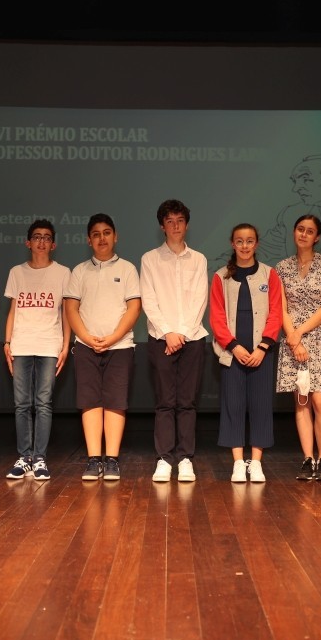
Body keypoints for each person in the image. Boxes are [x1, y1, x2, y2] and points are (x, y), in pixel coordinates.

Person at [63, 213, 141, 481]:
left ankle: (112, 460)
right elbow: (71, 309)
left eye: (107, 233)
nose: (102, 238)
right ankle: (93, 459)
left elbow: (134, 308)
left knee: (116, 402)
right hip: (86, 347)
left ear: (115, 236)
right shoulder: (79, 271)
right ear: (89, 240)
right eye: (96, 234)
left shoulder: (128, 269)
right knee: (90, 402)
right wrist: (87, 337)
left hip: (120, 346)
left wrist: (113, 338)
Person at [140, 200, 208, 483]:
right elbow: (149, 299)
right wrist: (168, 332)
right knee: (165, 402)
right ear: (162, 226)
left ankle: (185, 458)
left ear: (187, 225)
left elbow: (200, 299)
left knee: (187, 402)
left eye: (180, 220)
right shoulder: (149, 259)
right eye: (170, 221)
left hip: (192, 338)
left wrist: (182, 333)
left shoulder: (199, 259)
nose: (175, 226)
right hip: (161, 338)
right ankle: (164, 459)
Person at [210, 223, 283, 483]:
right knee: (234, 406)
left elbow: (276, 313)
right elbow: (217, 317)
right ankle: (239, 463)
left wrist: (263, 347)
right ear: (233, 244)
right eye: (239, 241)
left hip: (261, 353)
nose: (244, 246)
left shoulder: (269, 274)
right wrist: (234, 347)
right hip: (232, 353)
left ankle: (256, 462)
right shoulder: (221, 277)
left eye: (249, 241)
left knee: (261, 406)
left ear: (256, 244)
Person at [275, 214, 321, 481]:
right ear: (294, 232)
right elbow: (281, 308)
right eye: (300, 229)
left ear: (317, 237)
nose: (304, 234)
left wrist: (299, 333)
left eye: (310, 231)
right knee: (302, 399)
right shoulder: (282, 267)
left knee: (320, 400)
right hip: (292, 338)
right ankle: (307, 459)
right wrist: (293, 338)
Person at [3, 219, 71, 481]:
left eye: (46, 237)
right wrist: (7, 343)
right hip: (21, 344)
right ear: (28, 242)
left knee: (43, 403)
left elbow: (66, 313)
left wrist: (66, 345)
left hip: (49, 344)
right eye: (37, 237)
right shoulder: (16, 272)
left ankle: (39, 458)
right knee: (21, 404)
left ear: (53, 245)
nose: (41, 241)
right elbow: (12, 311)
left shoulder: (63, 273)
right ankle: (24, 457)